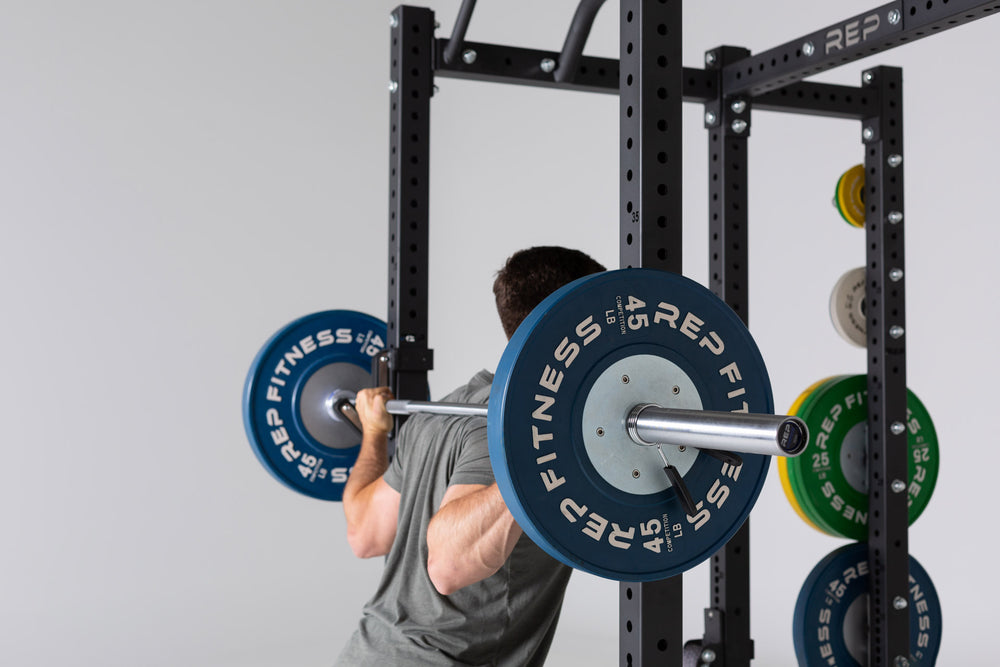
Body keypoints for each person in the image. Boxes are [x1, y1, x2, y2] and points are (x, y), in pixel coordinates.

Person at [335, 247, 606, 667]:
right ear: (570, 322)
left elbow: (366, 535)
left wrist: (374, 434)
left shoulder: (438, 413)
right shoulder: (510, 429)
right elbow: (448, 565)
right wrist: (552, 452)